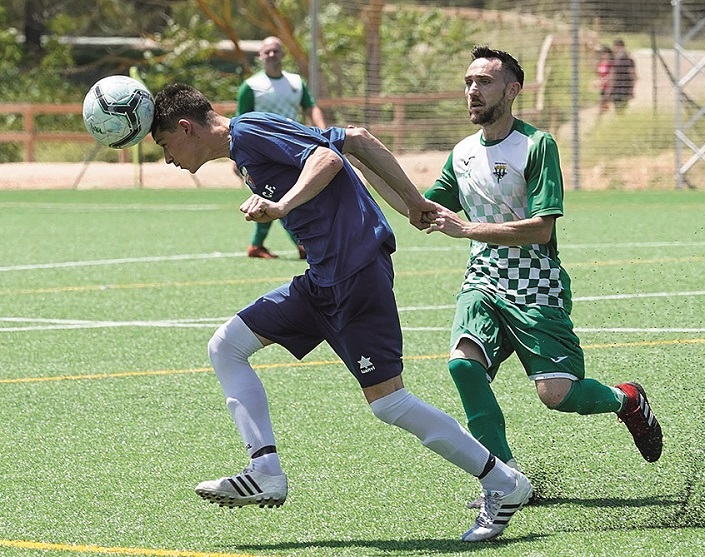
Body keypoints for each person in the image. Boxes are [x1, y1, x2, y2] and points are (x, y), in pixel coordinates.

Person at [149, 83, 532, 542]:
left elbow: (329, 158)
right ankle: (265, 471)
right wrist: (411, 203)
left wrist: (281, 206)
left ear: (187, 128)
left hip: (355, 272)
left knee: (390, 403)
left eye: (166, 144)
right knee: (227, 345)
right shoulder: (243, 152)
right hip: (321, 280)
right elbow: (355, 139)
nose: (168, 158)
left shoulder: (247, 131)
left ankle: (503, 483)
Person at [413, 46, 662, 506]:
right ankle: (504, 481)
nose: (472, 90)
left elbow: (542, 227)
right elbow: (424, 209)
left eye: (484, 82)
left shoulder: (536, 145)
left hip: (535, 284)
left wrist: (468, 228)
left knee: (556, 395)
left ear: (512, 90)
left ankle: (626, 399)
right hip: (482, 280)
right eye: (468, 81)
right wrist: (361, 160)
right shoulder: (462, 152)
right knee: (463, 365)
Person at [238, 36, 327, 259]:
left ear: (282, 55)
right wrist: (236, 158)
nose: (271, 55)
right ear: (260, 56)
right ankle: (301, 244)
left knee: (282, 195)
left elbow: (311, 107)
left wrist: (323, 131)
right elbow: (239, 123)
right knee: (279, 195)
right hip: (262, 151)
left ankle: (258, 245)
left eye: (276, 51)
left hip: (292, 148)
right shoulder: (250, 87)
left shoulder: (296, 82)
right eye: (267, 51)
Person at [610, 38, 637, 113]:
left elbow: (633, 74)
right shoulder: (614, 58)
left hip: (625, 86)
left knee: (622, 107)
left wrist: (632, 89)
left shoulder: (628, 59)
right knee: (617, 106)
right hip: (616, 86)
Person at [595, 45, 613, 116]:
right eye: (602, 53)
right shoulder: (600, 63)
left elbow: (611, 75)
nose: (603, 55)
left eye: (604, 53)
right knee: (603, 106)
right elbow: (599, 74)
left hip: (609, 88)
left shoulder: (611, 63)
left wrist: (601, 81)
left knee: (604, 106)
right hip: (602, 87)